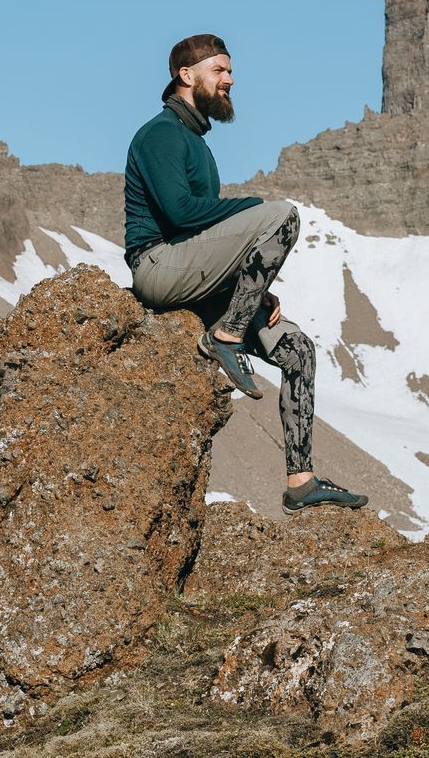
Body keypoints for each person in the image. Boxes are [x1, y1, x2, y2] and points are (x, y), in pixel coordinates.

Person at [124, 33, 367, 514]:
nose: (230, 80)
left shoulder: (194, 140)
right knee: (281, 213)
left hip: (196, 276)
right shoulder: (160, 134)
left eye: (230, 71)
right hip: (158, 267)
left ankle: (301, 480)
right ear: (186, 76)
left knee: (297, 349)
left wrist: (251, 291)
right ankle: (227, 337)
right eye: (220, 70)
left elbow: (208, 236)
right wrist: (255, 208)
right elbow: (180, 214)